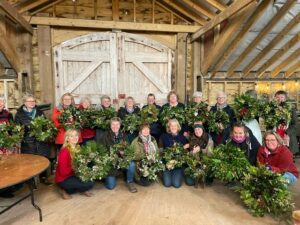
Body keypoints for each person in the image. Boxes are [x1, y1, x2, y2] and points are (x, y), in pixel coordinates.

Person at [15, 93, 52, 184]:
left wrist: (45, 134)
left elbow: (45, 126)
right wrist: (24, 132)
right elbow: (17, 129)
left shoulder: (40, 112)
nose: (32, 103)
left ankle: (43, 178)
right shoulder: (19, 114)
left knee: (42, 160)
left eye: (33, 101)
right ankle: (31, 182)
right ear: (24, 102)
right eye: (29, 101)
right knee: (29, 162)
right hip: (28, 142)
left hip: (41, 141)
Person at [98, 117, 137, 193]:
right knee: (111, 186)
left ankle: (130, 181)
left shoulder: (123, 135)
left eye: (117, 124)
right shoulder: (104, 136)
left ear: (120, 125)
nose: (115, 126)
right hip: (110, 162)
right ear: (110, 125)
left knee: (131, 164)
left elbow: (127, 148)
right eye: (113, 124)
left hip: (121, 159)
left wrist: (124, 153)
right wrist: (111, 157)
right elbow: (100, 150)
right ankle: (106, 178)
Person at [55, 129, 94, 199]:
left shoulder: (78, 148)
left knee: (90, 182)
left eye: (76, 135)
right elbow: (63, 172)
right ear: (67, 139)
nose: (75, 138)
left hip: (74, 174)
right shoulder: (64, 151)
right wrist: (75, 167)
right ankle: (62, 189)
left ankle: (75, 188)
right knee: (88, 184)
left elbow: (81, 164)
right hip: (64, 178)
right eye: (71, 136)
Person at [160, 119, 189, 188]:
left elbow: (185, 152)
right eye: (171, 126)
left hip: (177, 164)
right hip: (167, 163)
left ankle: (178, 173)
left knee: (176, 184)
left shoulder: (182, 137)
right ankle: (164, 173)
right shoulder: (164, 136)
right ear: (169, 127)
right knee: (167, 184)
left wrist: (182, 148)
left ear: (178, 127)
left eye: (175, 125)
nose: (173, 127)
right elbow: (161, 150)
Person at [274, 90, 299, 156]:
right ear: (274, 98)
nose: (279, 99)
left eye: (282, 97)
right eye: (277, 97)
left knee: (288, 157)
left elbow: (296, 124)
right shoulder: (271, 109)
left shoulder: (291, 109)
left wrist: (287, 132)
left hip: (288, 135)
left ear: (285, 99)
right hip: (275, 134)